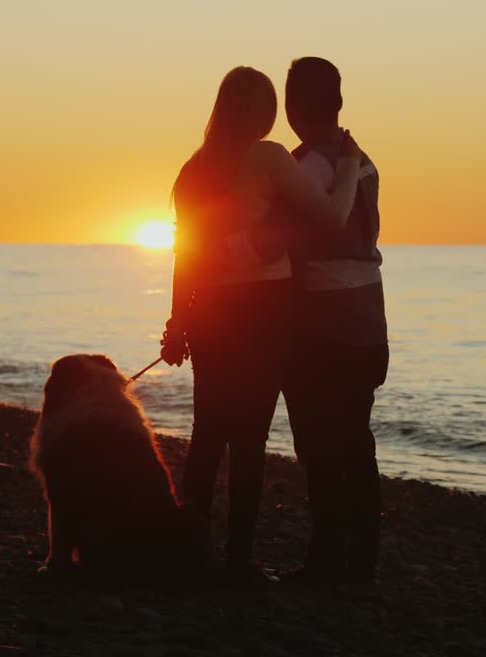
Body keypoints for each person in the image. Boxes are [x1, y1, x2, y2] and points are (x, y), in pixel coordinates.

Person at [159, 65, 364, 585]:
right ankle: (237, 562)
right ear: (264, 111)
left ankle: (191, 552)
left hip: (209, 311)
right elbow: (332, 217)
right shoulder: (269, 156)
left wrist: (178, 320)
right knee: (249, 439)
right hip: (263, 311)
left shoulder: (193, 169)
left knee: (208, 433)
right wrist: (349, 166)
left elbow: (185, 256)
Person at [246, 57, 388, 584]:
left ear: (290, 106)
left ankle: (327, 560)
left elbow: (269, 244)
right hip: (370, 319)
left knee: (321, 444)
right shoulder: (362, 160)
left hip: (323, 325)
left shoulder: (305, 167)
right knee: (356, 438)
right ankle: (363, 558)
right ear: (339, 102)